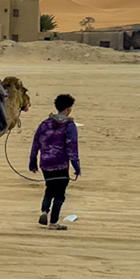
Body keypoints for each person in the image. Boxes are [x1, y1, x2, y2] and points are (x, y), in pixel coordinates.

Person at [30, 93, 81, 229]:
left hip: (45, 164)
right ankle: (53, 223)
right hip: (61, 164)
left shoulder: (45, 124)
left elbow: (36, 143)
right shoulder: (69, 126)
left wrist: (32, 161)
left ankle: (45, 211)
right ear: (69, 108)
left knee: (49, 188)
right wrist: (76, 166)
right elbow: (72, 147)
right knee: (60, 194)